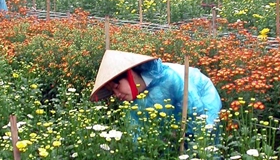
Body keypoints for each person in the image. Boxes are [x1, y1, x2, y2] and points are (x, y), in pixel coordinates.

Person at [90, 50, 222, 134]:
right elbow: (138, 131)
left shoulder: (170, 78)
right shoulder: (136, 99)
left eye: (117, 86)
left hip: (202, 97)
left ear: (131, 75)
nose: (117, 94)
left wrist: (181, 133)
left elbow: (196, 109)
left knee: (202, 140)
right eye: (113, 92)